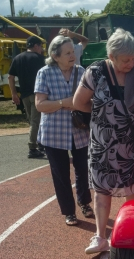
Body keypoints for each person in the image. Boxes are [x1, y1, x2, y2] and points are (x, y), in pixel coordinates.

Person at [73, 28, 134, 255]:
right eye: (125, 60)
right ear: (111, 57)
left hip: (133, 142)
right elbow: (79, 102)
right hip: (103, 144)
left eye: (133, 58)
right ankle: (100, 237)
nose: (131, 63)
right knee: (102, 191)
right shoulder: (95, 73)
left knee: (133, 189)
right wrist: (103, 115)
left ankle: (133, 233)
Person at [34, 35, 94, 226]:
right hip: (54, 133)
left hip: (80, 130)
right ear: (55, 55)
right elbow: (40, 105)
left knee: (83, 170)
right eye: (67, 53)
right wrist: (63, 103)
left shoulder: (81, 71)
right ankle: (69, 211)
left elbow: (90, 99)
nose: (72, 56)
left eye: (73, 52)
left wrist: (81, 104)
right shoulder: (44, 73)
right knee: (60, 174)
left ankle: (84, 202)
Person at [8, 35, 46, 158]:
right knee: (36, 121)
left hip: (24, 95)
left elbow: (11, 77)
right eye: (40, 46)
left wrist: (14, 93)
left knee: (32, 121)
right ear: (36, 45)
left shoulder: (17, 58)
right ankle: (33, 147)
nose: (41, 49)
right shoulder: (41, 59)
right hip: (38, 94)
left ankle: (40, 143)